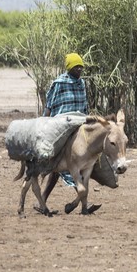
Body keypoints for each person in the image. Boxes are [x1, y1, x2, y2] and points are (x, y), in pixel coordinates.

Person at [44, 53, 89, 189]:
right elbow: (50, 105)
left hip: (78, 127)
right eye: (76, 67)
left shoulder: (81, 83)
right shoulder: (59, 83)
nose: (79, 70)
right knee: (66, 164)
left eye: (81, 67)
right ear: (69, 68)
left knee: (62, 167)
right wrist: (45, 123)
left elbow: (84, 105)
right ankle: (82, 200)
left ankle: (43, 200)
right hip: (62, 127)